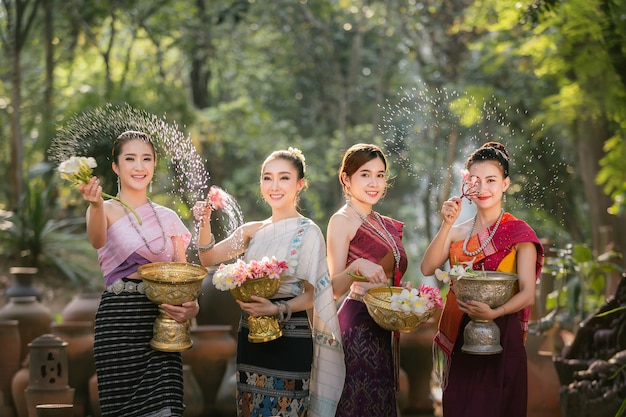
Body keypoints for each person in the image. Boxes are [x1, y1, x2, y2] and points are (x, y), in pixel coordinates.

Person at [192, 148, 345, 417]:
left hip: (291, 335)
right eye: (267, 178)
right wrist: (204, 222)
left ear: (299, 184)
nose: (274, 186)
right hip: (251, 336)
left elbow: (314, 294)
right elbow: (208, 257)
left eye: (284, 178)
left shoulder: (308, 231)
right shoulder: (252, 231)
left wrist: (276, 309)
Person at [78, 130, 199, 417]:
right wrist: (94, 205)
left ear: (154, 165)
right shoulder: (103, 209)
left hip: (162, 325)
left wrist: (192, 307)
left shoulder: (169, 217)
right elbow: (96, 240)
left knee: (166, 408)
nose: (139, 166)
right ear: (116, 167)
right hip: (119, 324)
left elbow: (184, 281)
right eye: (130, 158)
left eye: (146, 159)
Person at [420, 142, 544, 417]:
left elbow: (527, 293)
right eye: (476, 181)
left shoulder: (519, 233)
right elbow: (428, 267)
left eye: (491, 180)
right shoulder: (457, 232)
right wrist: (447, 223)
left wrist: (495, 311)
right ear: (467, 185)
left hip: (503, 336)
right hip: (462, 335)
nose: (483, 188)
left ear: (505, 184)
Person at [326, 143, 408, 417]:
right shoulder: (342, 220)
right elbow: (333, 289)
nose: (374, 183)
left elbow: (386, 277)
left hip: (382, 326)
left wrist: (401, 293)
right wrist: (357, 266)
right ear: (346, 179)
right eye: (365, 174)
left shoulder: (383, 223)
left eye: (380, 175)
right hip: (357, 329)